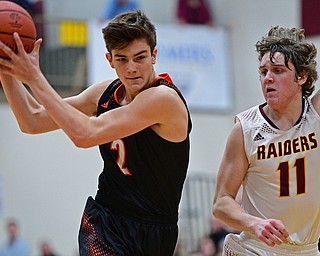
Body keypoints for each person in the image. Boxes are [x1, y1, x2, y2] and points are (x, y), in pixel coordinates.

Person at [0, 10, 192, 256]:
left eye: (140, 57)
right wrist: (6, 67)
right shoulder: (104, 93)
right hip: (106, 220)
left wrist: (35, 78)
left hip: (154, 230)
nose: (132, 68)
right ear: (109, 60)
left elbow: (85, 134)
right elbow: (32, 120)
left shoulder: (163, 99)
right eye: (122, 59)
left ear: (154, 55)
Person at [212, 25, 320, 255]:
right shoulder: (245, 128)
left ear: (302, 76)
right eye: (263, 72)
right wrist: (254, 223)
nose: (268, 78)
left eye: (278, 70)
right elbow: (221, 202)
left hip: (306, 250)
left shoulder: (316, 116)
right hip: (256, 249)